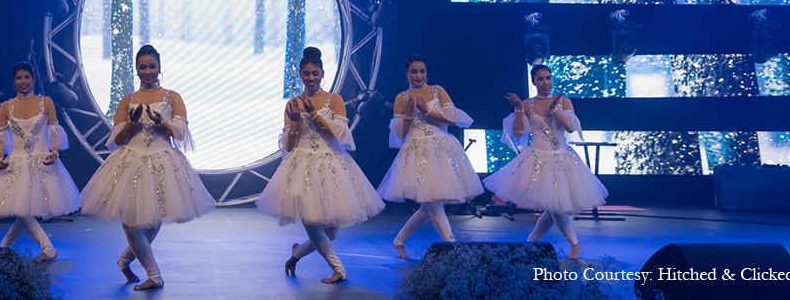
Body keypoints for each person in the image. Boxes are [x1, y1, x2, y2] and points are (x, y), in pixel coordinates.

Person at [79, 44, 215, 291]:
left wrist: (162, 123)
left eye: (152, 66)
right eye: (142, 67)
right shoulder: (127, 100)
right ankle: (154, 275)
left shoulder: (172, 97)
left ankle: (125, 260)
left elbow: (181, 133)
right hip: (131, 161)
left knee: (153, 220)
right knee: (130, 220)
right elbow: (117, 139)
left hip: (163, 160)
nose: (147, 71)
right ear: (136, 69)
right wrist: (130, 126)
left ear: (160, 68)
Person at [256, 46, 385, 285]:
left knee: (332, 231)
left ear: (323, 73)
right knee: (312, 221)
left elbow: (341, 133)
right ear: (300, 75)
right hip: (302, 166)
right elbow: (289, 145)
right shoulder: (292, 104)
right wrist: (294, 123)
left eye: (315, 73)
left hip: (331, 164)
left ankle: (296, 253)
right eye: (306, 73)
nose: (311, 77)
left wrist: (315, 114)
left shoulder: (333, 99)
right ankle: (339, 270)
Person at [482, 64, 608, 259]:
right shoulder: (527, 105)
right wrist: (517, 110)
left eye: (548, 78)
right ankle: (539, 242)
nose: (545, 83)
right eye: (540, 79)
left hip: (561, 158)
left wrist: (555, 111)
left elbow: (570, 128)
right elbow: (517, 133)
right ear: (533, 81)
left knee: (555, 205)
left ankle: (566, 244)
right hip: (538, 160)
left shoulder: (563, 101)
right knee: (554, 206)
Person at [0, 61, 80, 261]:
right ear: (14, 82)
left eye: (27, 77)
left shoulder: (46, 102)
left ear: (34, 79)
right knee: (22, 208)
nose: (23, 81)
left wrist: (55, 152)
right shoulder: (5, 106)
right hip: (16, 162)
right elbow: (1, 135)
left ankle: (43, 248)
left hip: (42, 159)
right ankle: (9, 246)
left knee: (22, 208)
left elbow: (54, 129)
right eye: (19, 78)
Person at [376, 55, 483, 258]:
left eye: (422, 71)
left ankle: (399, 240)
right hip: (417, 153)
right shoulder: (401, 97)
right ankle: (453, 248)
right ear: (406, 74)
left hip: (441, 150)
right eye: (414, 71)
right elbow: (400, 134)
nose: (418, 75)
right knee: (433, 203)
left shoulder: (437, 90)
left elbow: (452, 118)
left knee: (429, 206)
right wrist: (408, 115)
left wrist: (428, 111)